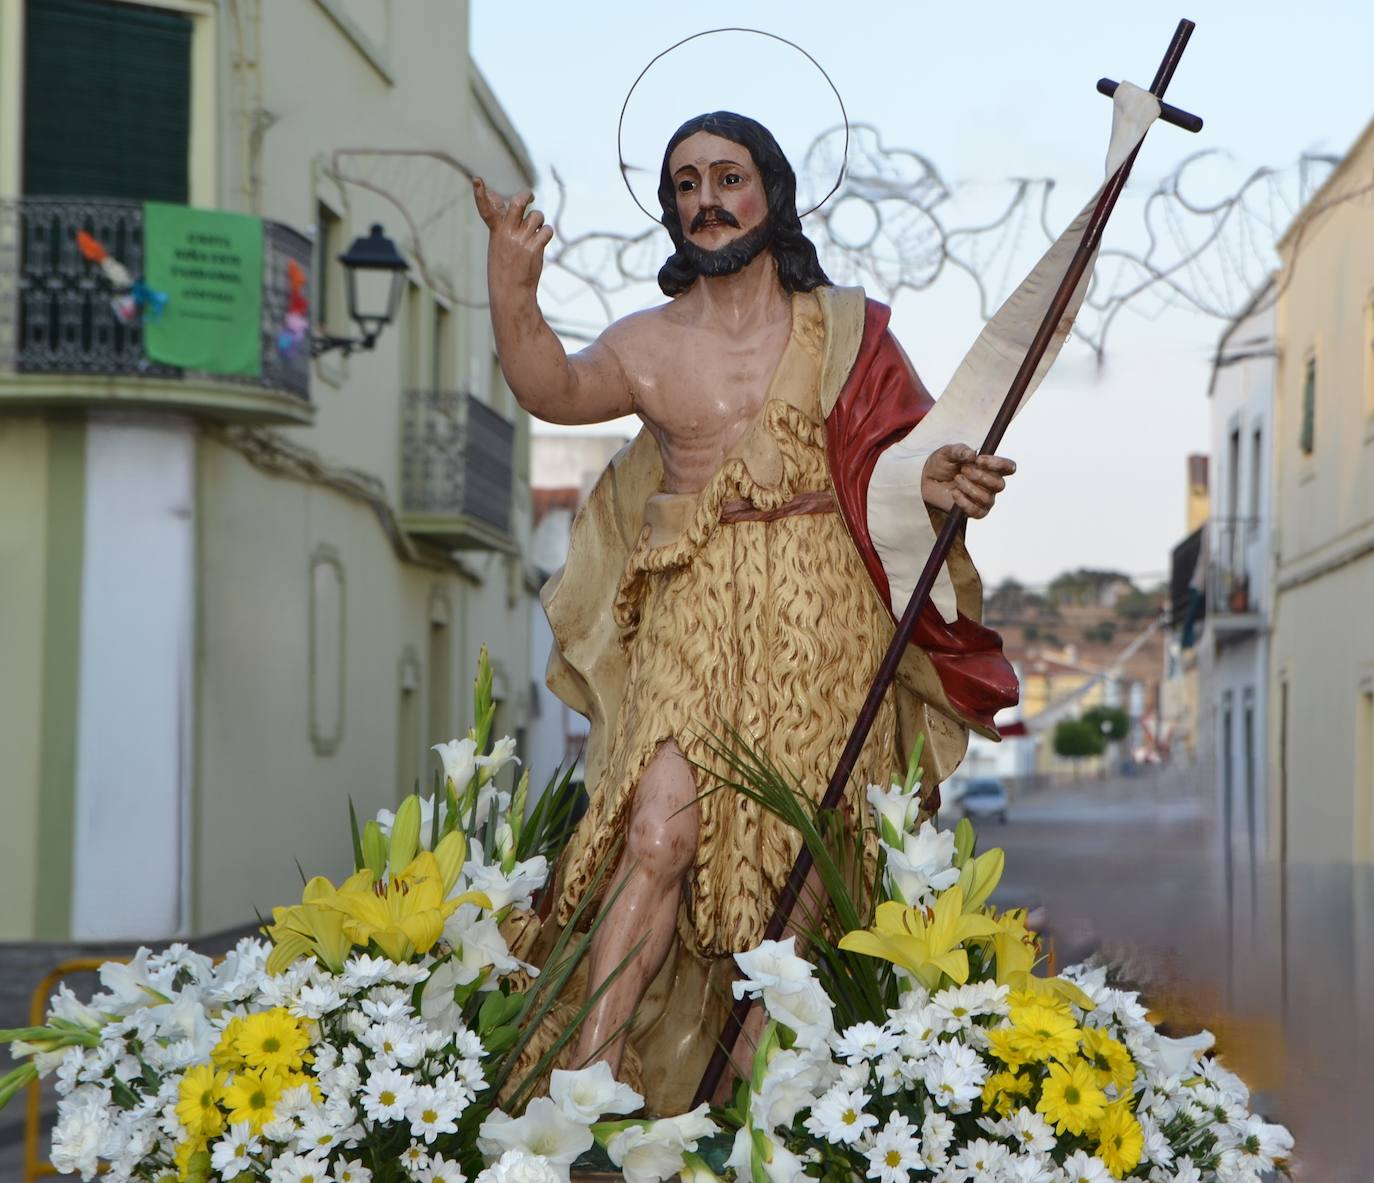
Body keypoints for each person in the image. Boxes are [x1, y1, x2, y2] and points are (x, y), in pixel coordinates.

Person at [473, 95, 1156, 1111]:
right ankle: (585, 1092)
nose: (707, 200)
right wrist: (511, 284)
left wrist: (940, 481)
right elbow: (551, 390)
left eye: (728, 178)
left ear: (772, 194)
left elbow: (903, 457)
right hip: (694, 606)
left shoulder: (842, 330)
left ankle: (765, 1113)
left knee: (796, 869)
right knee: (656, 833)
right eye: (687, 185)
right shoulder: (647, 343)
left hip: (822, 611)